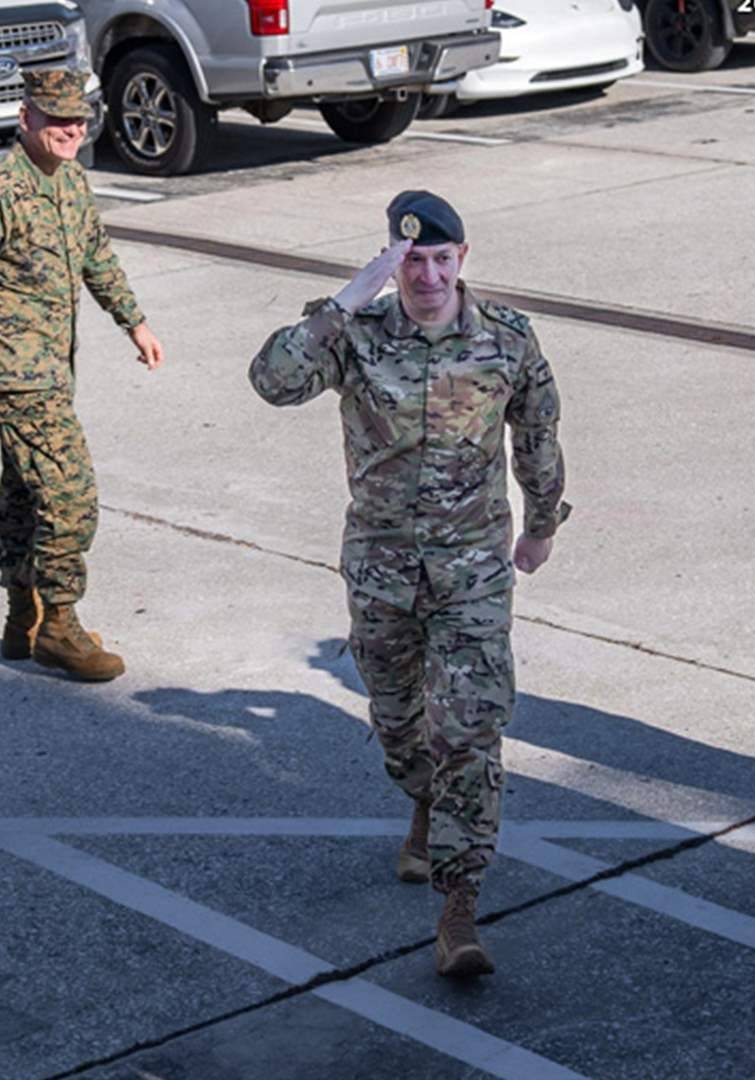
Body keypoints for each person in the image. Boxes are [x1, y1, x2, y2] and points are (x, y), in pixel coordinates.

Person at [249, 190, 569, 979]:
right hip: (383, 569)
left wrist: (542, 524)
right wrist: (347, 297)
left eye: (439, 258)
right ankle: (422, 800)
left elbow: (538, 431)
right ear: (394, 264)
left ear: (464, 258)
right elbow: (272, 380)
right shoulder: (355, 337)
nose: (426, 275)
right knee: (399, 723)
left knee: (470, 727)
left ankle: (460, 907)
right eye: (410, 260)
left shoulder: (507, 341)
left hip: (472, 573)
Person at [0, 67, 165, 682]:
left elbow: (96, 254)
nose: (71, 130)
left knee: (25, 490)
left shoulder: (70, 180)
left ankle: (22, 618)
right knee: (71, 494)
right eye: (57, 119)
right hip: (15, 377)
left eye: (79, 120)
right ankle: (61, 624)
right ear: (25, 118)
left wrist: (133, 321)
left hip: (54, 367)